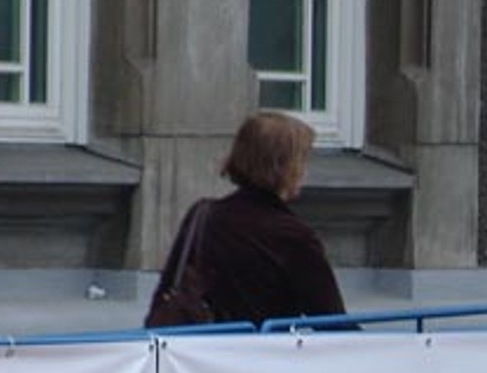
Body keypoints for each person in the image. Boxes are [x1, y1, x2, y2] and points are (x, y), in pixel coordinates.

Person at [145, 110, 347, 328]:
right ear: (284, 166)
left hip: (198, 355)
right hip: (260, 357)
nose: (304, 172)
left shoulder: (203, 215)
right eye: (302, 161)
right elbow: (331, 321)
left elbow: (166, 292)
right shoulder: (293, 236)